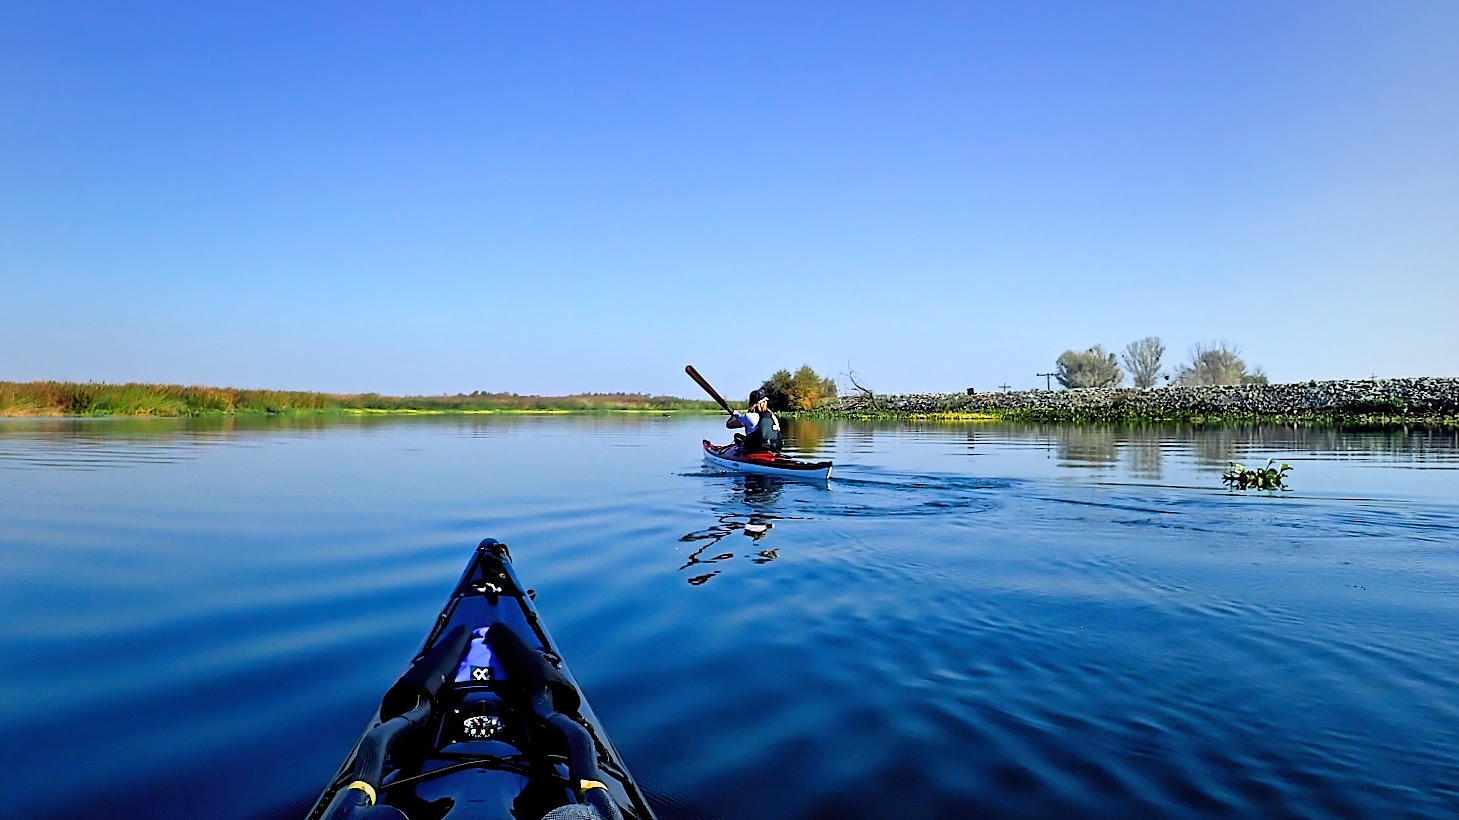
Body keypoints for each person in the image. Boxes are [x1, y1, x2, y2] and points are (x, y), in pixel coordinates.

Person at [726, 389, 782, 453]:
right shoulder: (773, 417)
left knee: (738, 437)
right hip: (773, 450)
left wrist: (734, 415)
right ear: (765, 402)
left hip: (755, 450)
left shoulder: (749, 416)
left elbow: (729, 424)